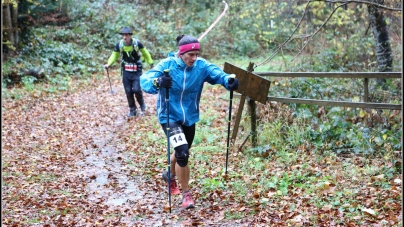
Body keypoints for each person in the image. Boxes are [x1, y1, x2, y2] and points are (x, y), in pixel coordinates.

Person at [140, 35, 239, 209]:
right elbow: (145, 80)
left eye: (197, 54)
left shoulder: (201, 66)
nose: (194, 58)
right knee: (183, 153)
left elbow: (218, 74)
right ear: (181, 53)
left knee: (181, 152)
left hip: (190, 117)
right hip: (169, 116)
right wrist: (158, 82)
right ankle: (186, 195)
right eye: (191, 54)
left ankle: (169, 174)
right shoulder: (167, 66)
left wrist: (228, 81)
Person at [104, 26, 154, 117]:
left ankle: (142, 103)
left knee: (136, 89)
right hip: (126, 71)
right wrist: (108, 64)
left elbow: (145, 53)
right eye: (123, 35)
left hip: (136, 71)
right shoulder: (119, 45)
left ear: (130, 35)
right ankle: (132, 109)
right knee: (128, 91)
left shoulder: (137, 43)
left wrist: (151, 63)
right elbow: (114, 55)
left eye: (126, 35)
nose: (124, 37)